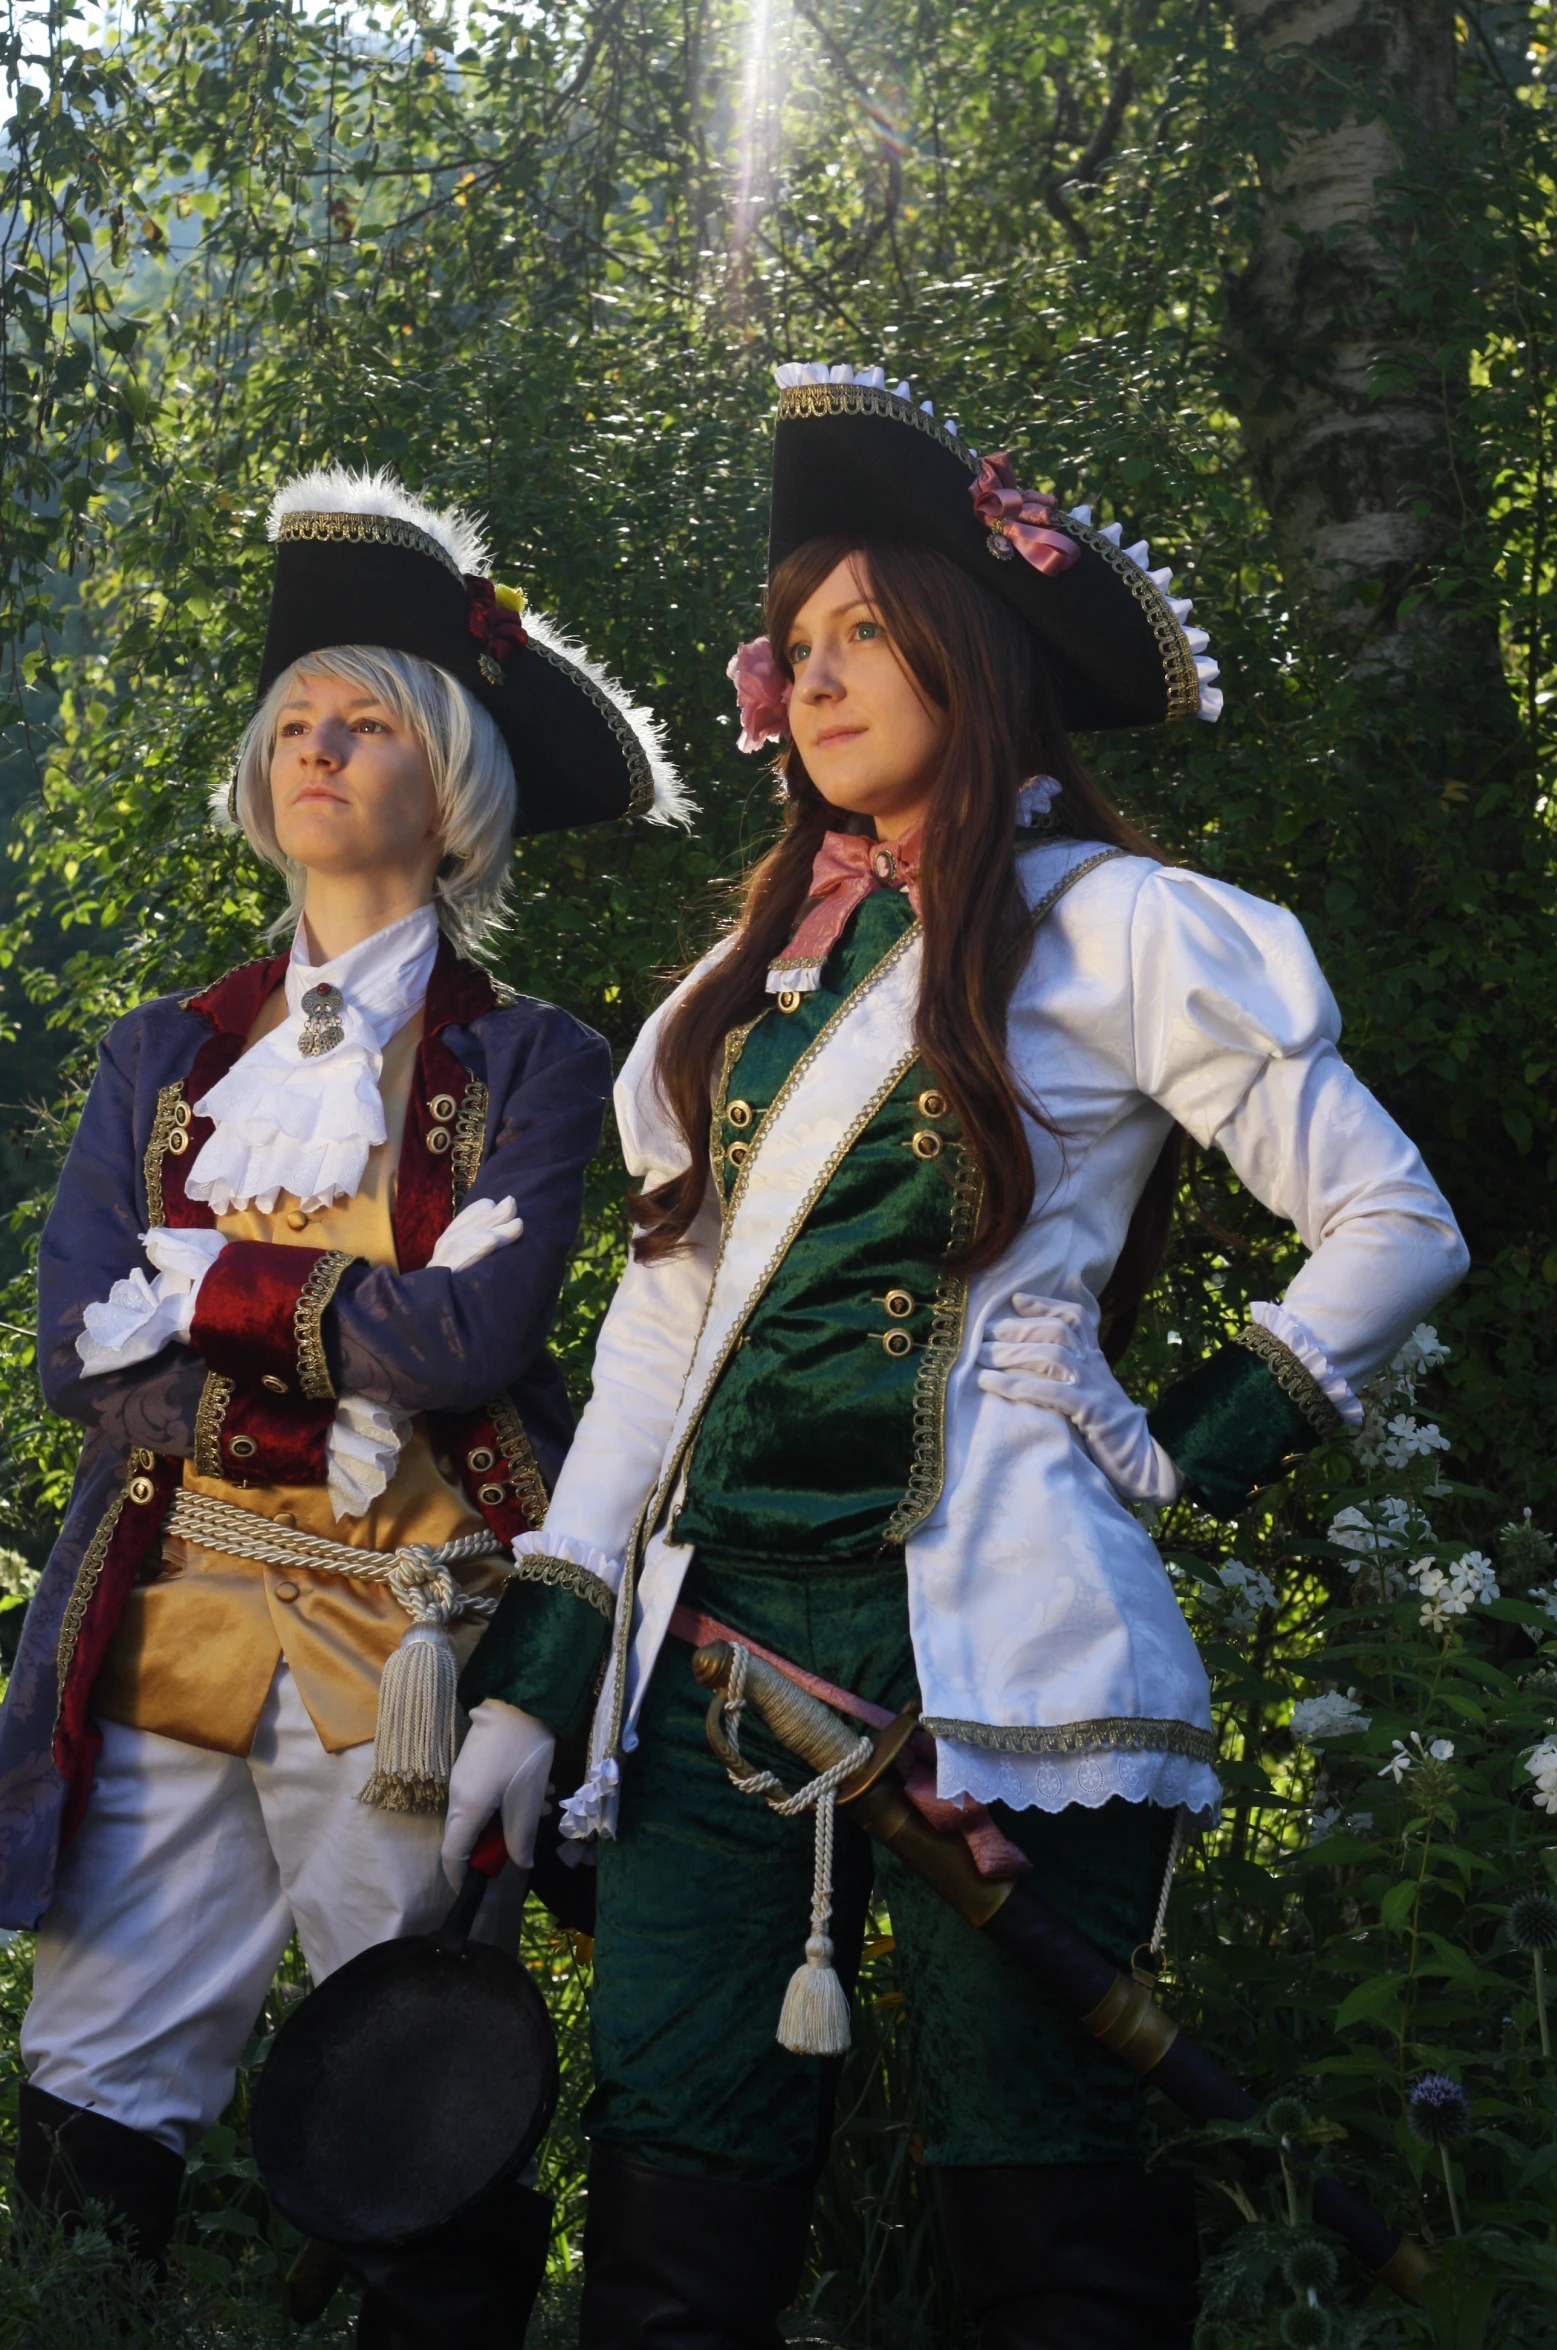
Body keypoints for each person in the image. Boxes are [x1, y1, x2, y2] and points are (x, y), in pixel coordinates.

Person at [447, 363, 1470, 2349]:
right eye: (798, 640)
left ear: (976, 655)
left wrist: (1174, 1444)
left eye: (867, 634)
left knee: (1059, 2244)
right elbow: (660, 1350)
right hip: (712, 1665)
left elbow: (1396, 1223)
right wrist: (527, 1689)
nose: (813, 677)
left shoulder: (1132, 931)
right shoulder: (737, 998)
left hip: (1010, 1656)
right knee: (671, 2232)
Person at [0, 466, 687, 2342]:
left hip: (411, 1654)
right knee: (89, 2070)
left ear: (448, 776)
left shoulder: (535, 1058)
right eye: (293, 721)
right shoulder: (163, 1048)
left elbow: (469, 1343)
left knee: (409, 2083)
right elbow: (83, 1356)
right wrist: (337, 1318)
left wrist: (206, 1282)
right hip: (163, 1617)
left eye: (363, 717)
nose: (316, 747)